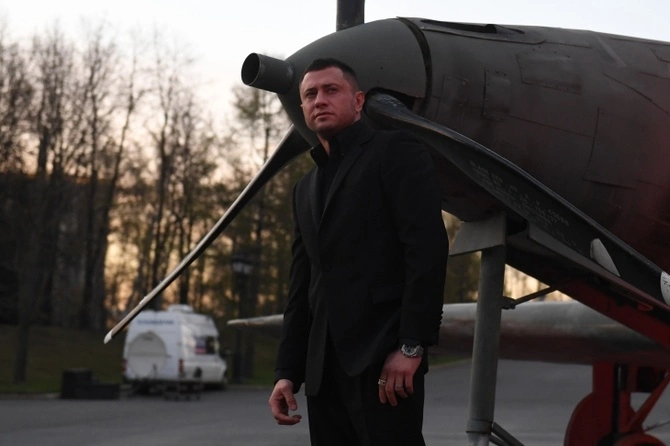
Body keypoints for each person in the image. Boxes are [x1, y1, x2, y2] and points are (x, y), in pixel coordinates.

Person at [268, 57, 448, 446]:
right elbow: (302, 287)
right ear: (302, 108)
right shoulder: (304, 188)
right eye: (310, 95)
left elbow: (427, 251)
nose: (319, 100)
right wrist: (288, 372)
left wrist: (411, 346)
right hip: (322, 373)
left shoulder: (396, 151)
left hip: (383, 360)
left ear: (359, 100)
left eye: (331, 90)